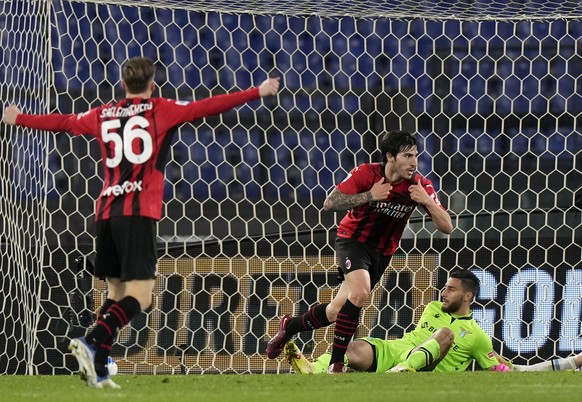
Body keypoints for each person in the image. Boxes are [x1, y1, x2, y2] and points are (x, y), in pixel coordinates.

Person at [2, 56, 280, 388]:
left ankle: (100, 363)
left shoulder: (102, 114)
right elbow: (209, 106)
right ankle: (93, 340)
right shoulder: (162, 109)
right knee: (142, 296)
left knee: (116, 291)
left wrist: (20, 118)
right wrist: (256, 91)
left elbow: (62, 122)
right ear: (153, 85)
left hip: (105, 213)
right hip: (138, 213)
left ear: (123, 85)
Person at [266, 130, 453, 373]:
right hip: (352, 241)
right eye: (407, 156)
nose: (414, 162)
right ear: (390, 157)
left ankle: (289, 327)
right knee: (361, 292)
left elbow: (447, 226)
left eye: (416, 156)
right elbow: (330, 203)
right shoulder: (367, 173)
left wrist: (426, 201)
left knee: (335, 311)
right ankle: (337, 363)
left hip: (382, 253)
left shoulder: (419, 185)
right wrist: (369, 196)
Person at [283, 268, 509, 374]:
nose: (443, 293)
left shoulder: (477, 335)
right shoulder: (432, 308)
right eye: (445, 287)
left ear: (468, 296)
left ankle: (406, 368)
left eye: (451, 290)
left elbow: (496, 367)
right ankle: (313, 369)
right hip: (396, 351)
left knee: (444, 333)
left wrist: (505, 367)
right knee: (350, 348)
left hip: (424, 368)